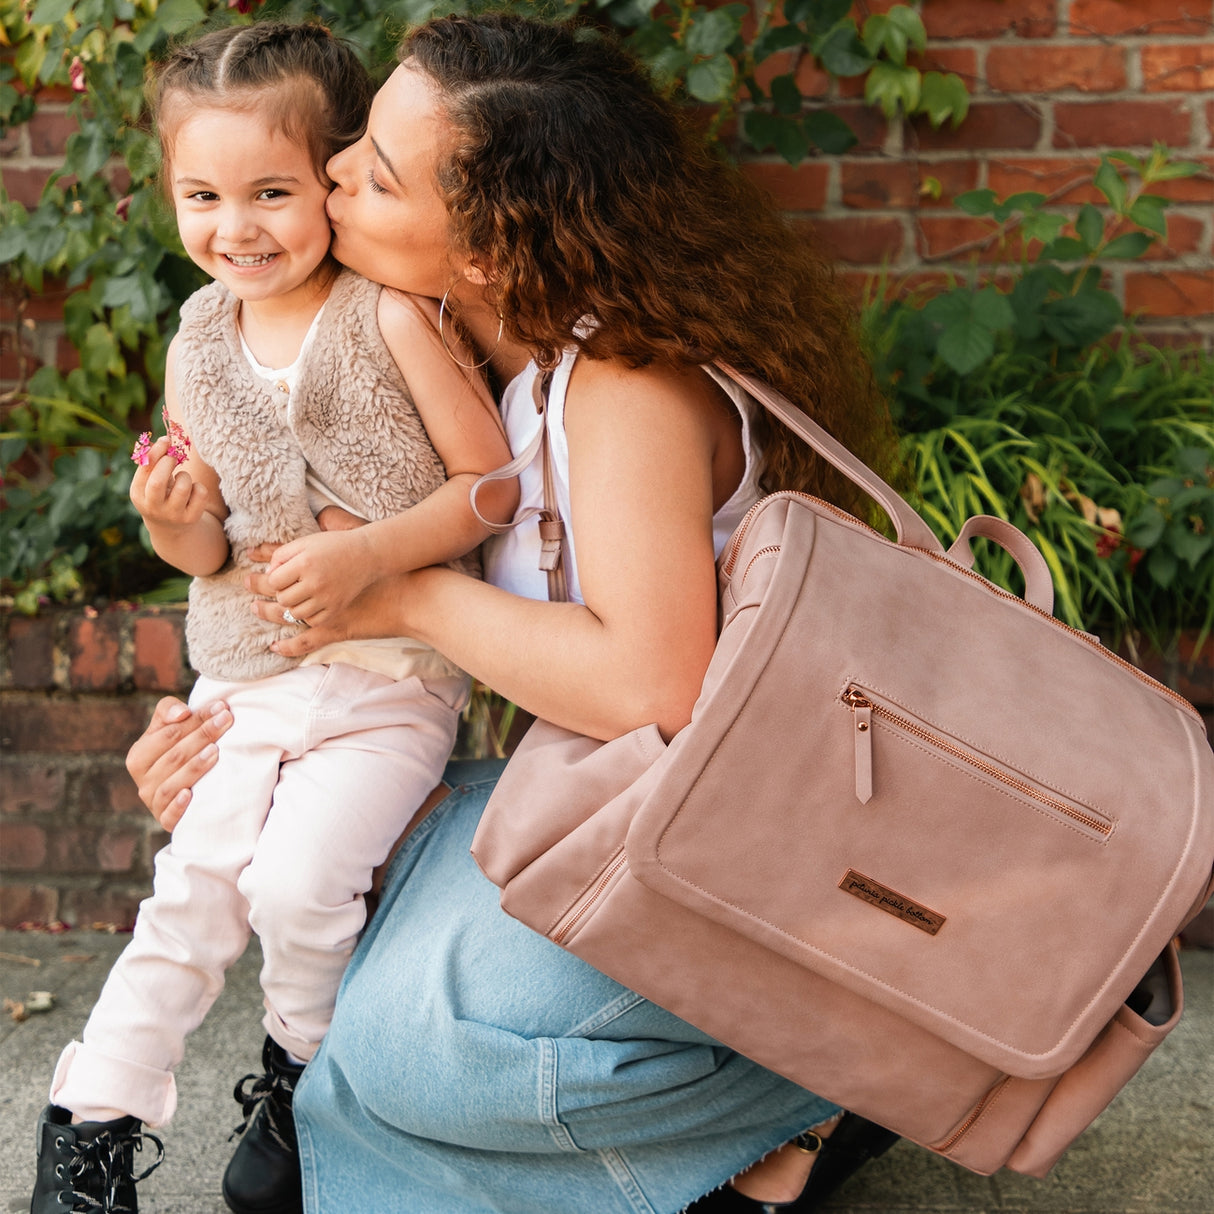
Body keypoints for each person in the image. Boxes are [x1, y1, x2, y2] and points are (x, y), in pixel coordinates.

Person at [117, 12, 907, 1213]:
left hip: (736, 855)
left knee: (404, 1057)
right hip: (619, 809)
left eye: (373, 171)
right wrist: (238, 754)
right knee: (325, 908)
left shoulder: (629, 389)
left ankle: (828, 1079)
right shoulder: (487, 363)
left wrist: (406, 588)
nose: (330, 175)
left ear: (485, 245)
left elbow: (652, 690)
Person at [29, 21, 514, 1214]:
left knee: (299, 884)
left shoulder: (385, 317)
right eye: (202, 194)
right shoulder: (198, 344)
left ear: (335, 180)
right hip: (248, 678)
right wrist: (173, 514)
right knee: (193, 888)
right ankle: (89, 1126)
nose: (234, 227)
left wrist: (367, 553)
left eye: (271, 192)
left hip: (388, 680)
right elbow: (205, 549)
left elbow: (488, 487)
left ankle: (301, 1079)